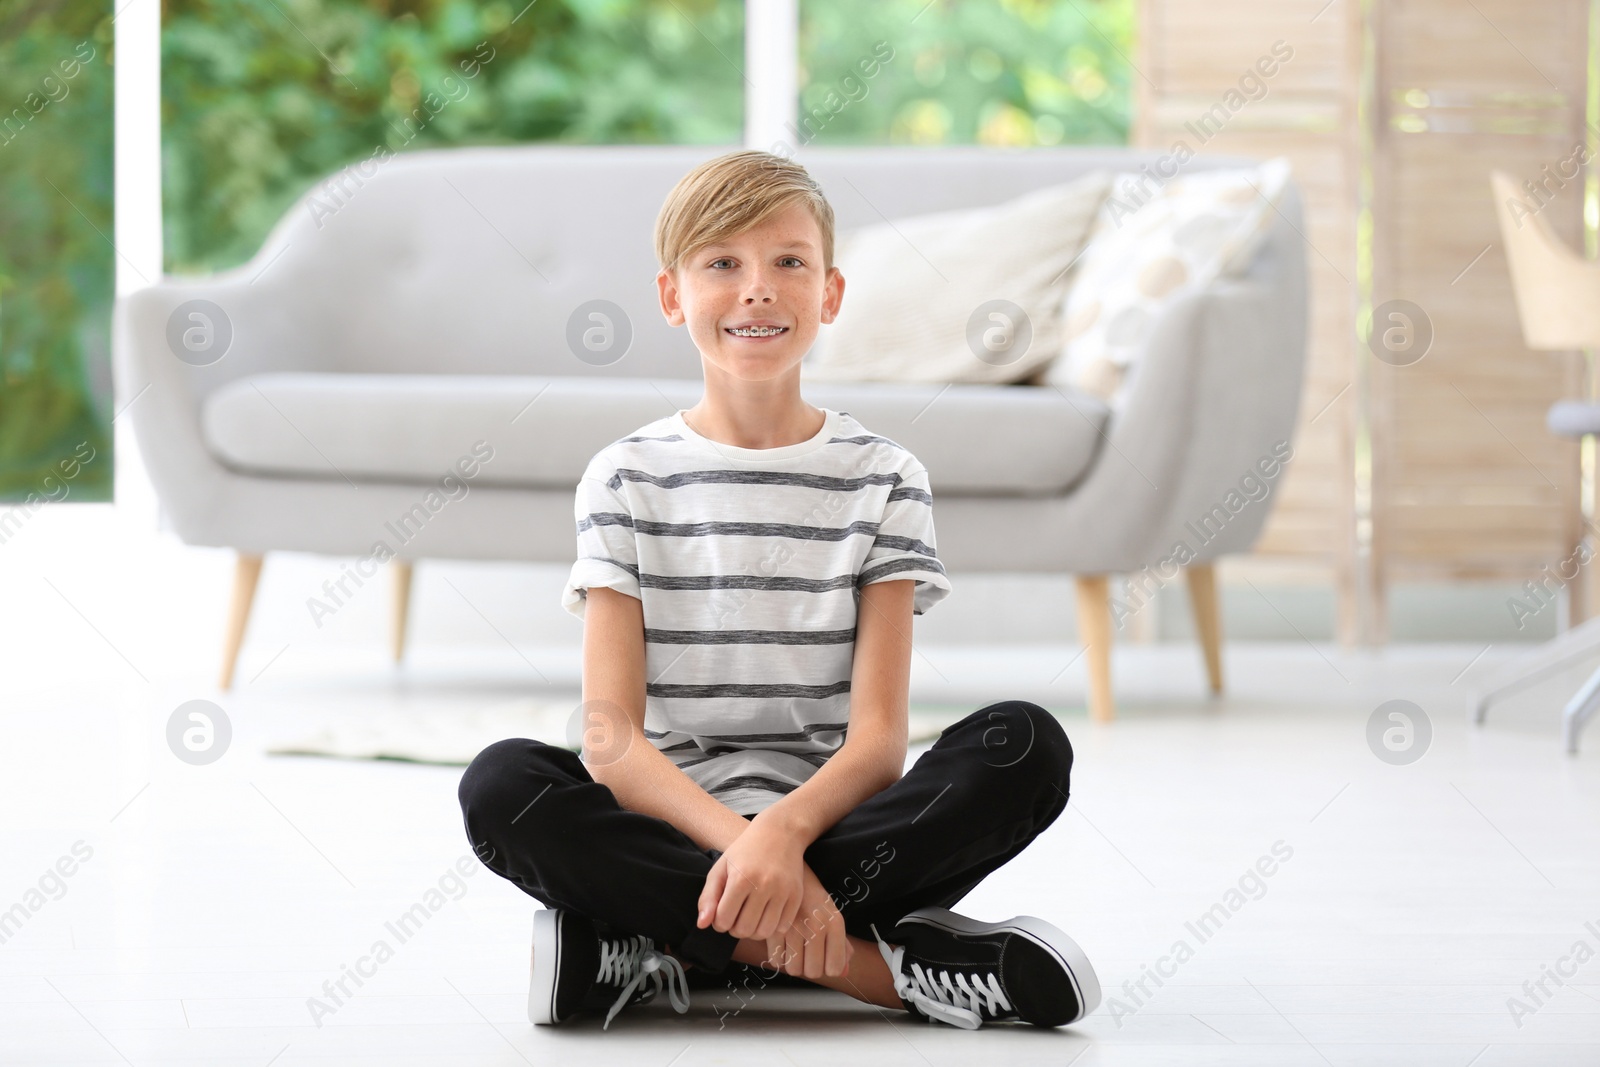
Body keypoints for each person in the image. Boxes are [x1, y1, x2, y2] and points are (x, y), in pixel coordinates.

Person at [457, 149, 1100, 1032]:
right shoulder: (624, 477)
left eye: (788, 262)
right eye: (722, 263)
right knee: (503, 786)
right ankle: (880, 971)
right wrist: (750, 849)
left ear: (830, 294)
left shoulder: (886, 477)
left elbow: (878, 745)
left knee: (1025, 744)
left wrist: (785, 838)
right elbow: (612, 742)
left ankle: (653, 950)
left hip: (838, 833)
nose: (757, 288)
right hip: (681, 831)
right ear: (672, 295)